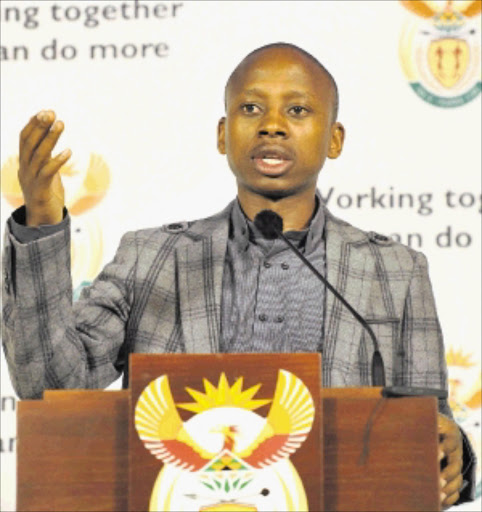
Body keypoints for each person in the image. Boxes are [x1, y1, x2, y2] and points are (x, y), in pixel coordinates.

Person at [2, 43, 474, 508]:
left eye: (297, 109)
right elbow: (48, 385)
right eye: (251, 107)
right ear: (223, 134)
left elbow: (431, 429)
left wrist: (457, 457)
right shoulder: (150, 258)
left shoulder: (396, 272)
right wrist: (43, 220)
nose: (272, 125)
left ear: (334, 139)